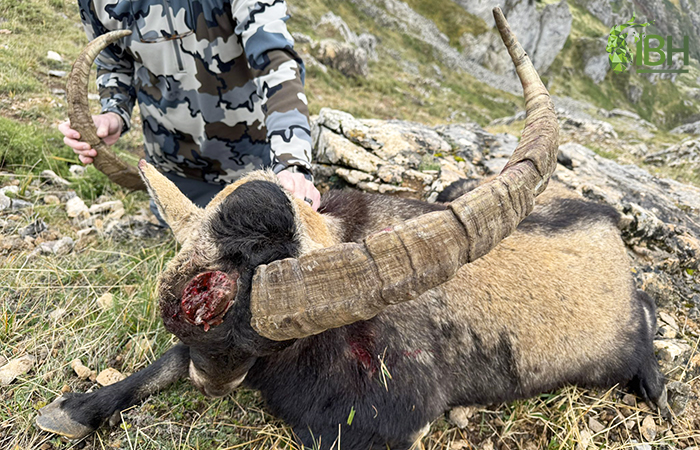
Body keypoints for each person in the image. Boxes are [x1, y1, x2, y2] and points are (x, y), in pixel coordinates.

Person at [59, 0, 321, 215]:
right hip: (172, 181)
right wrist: (114, 113)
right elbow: (115, 63)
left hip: (256, 175)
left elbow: (275, 62)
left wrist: (292, 164)